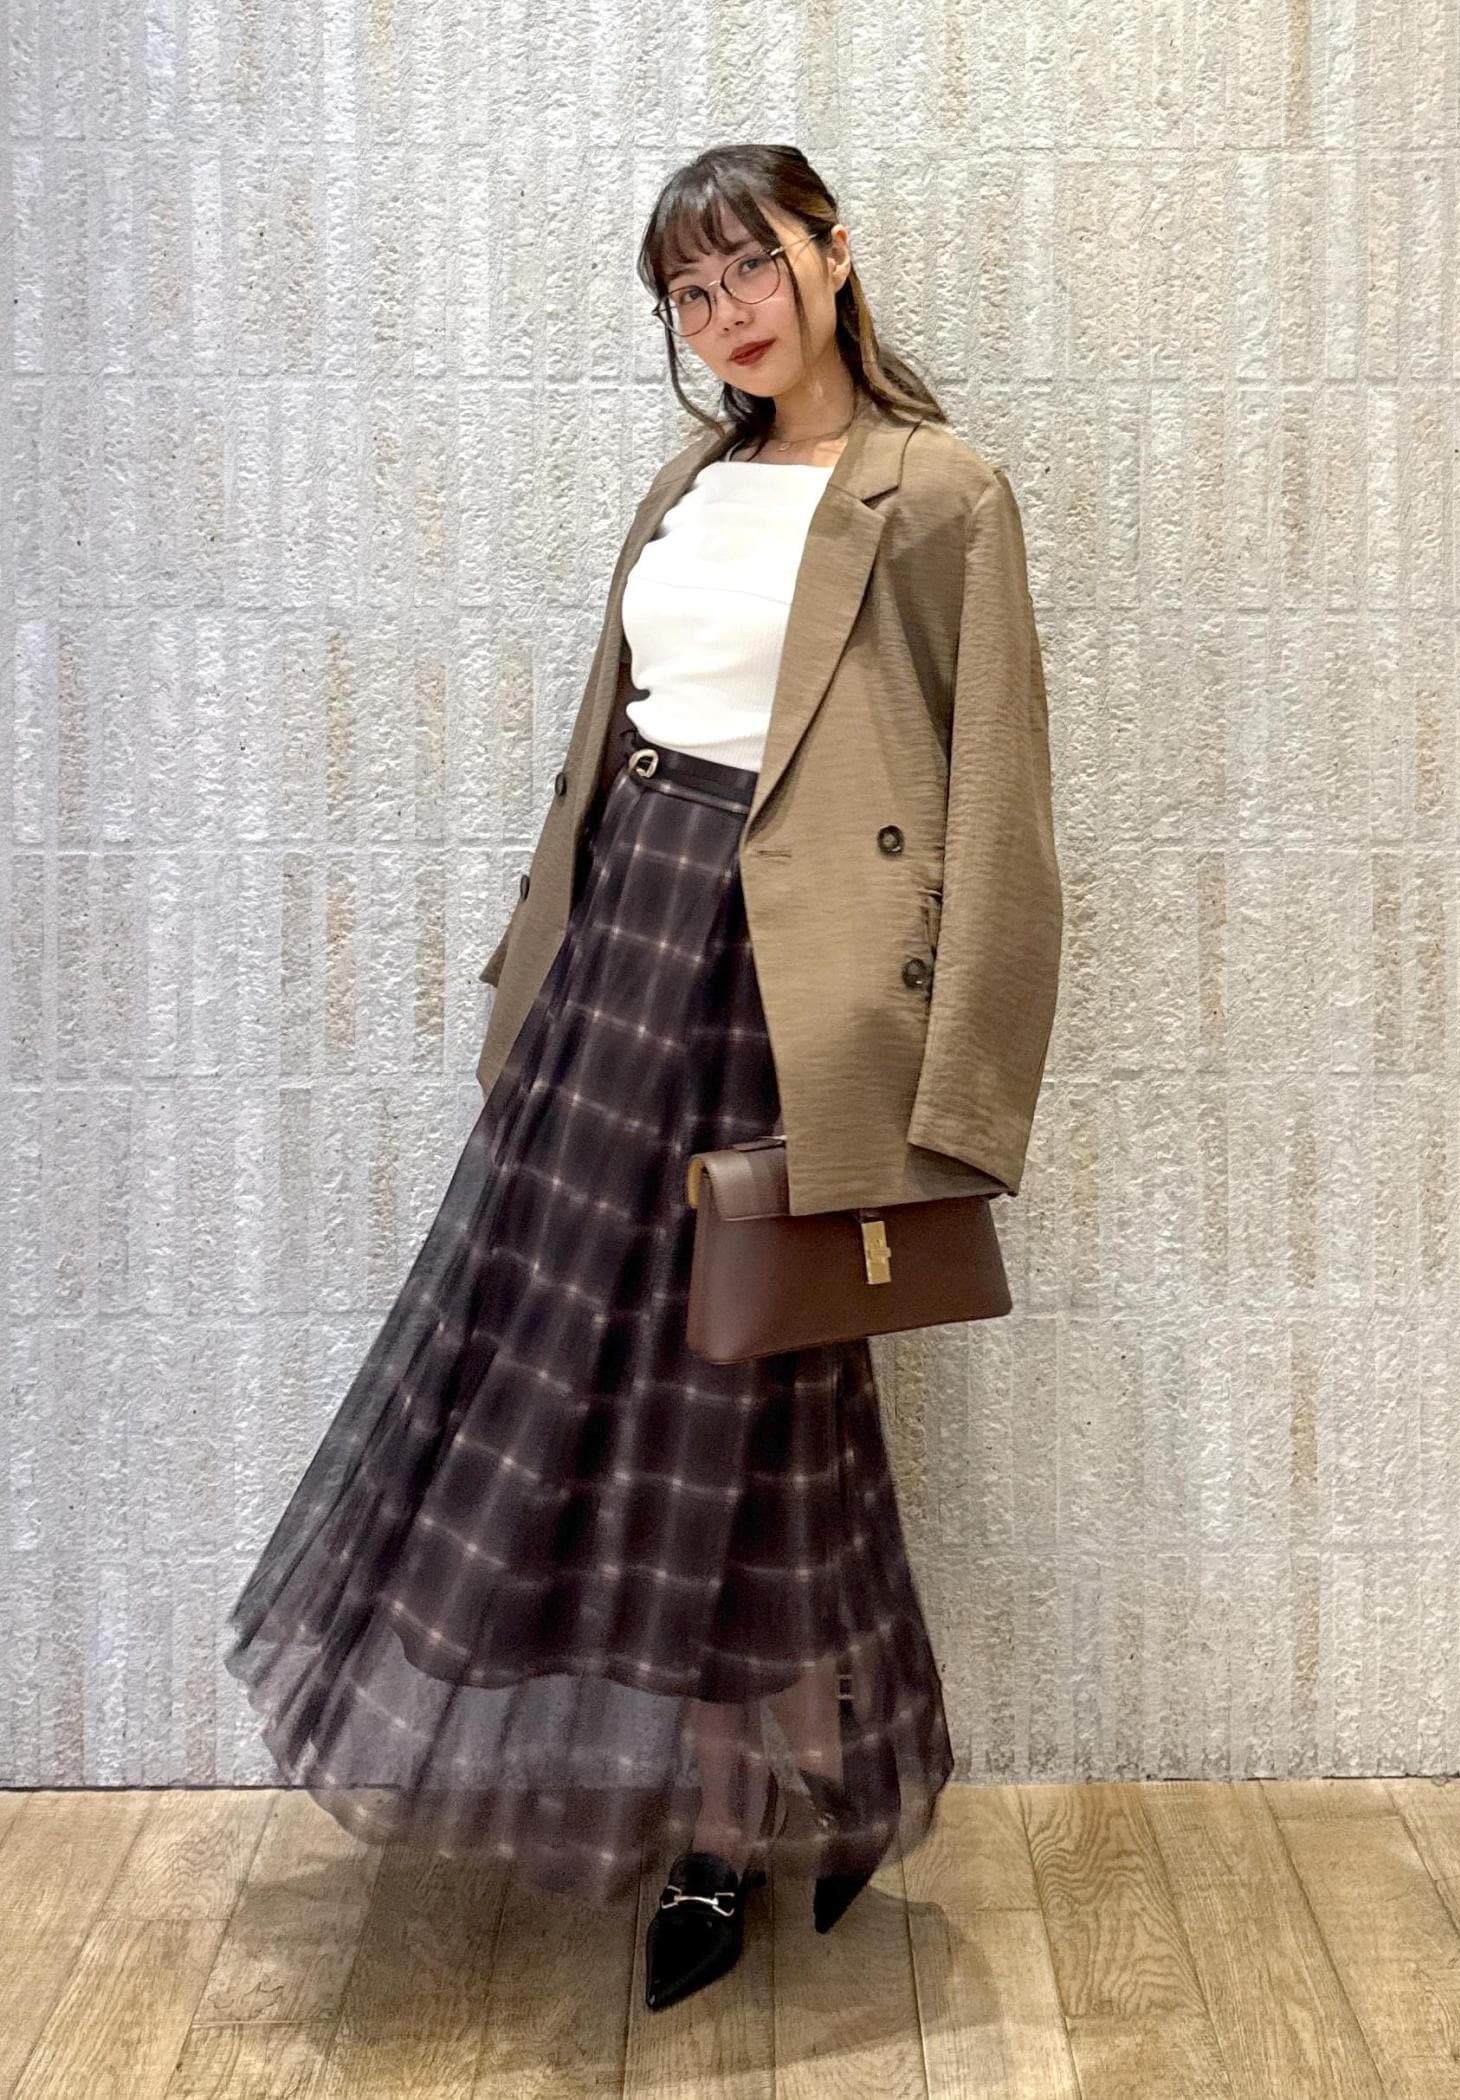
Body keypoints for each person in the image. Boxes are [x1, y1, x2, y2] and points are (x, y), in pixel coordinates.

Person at [223, 141, 1063, 2017]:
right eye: (688, 294)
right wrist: (537, 976)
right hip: (621, 960)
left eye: (750, 267)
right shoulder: (685, 485)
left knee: (739, 1394)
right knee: (606, 1381)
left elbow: (1001, 801)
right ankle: (814, 1786)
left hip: (789, 987)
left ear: (833, 255)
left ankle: (729, 1825)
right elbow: (613, 746)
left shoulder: (937, 491)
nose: (724, 315)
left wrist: (958, 1109)